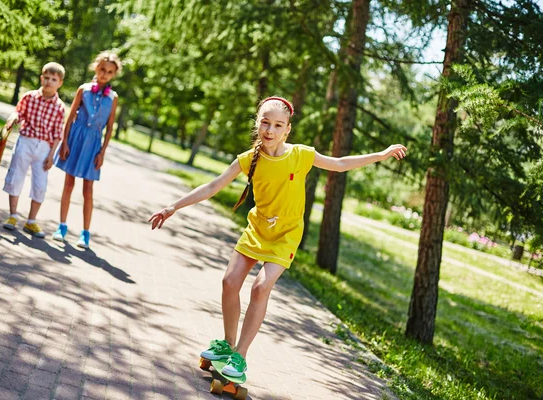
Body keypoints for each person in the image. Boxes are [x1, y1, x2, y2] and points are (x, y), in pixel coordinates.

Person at [148, 96, 407, 378]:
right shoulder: (248, 160)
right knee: (229, 281)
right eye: (265, 123)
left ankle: (240, 357)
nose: (270, 130)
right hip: (257, 229)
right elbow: (213, 186)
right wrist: (173, 207)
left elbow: (340, 163)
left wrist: (380, 155)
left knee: (260, 288)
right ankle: (227, 344)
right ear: (258, 124)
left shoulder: (301, 155)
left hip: (286, 235)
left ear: (287, 130)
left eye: (278, 125)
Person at [51, 51, 121, 248]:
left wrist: (103, 152)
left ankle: (85, 233)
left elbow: (110, 127)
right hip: (76, 139)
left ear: (114, 74)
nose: (104, 74)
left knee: (88, 190)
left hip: (93, 145)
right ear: (96, 68)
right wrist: (64, 143)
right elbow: (70, 116)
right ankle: (62, 226)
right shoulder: (84, 90)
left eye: (109, 72)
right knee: (68, 184)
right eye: (102, 69)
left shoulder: (113, 98)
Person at [2, 62, 66, 238]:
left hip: (44, 148)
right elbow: (18, 112)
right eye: (46, 78)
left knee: (40, 184)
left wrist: (51, 155)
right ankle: (12, 216)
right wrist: (13, 117)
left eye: (54, 79)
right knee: (16, 176)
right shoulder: (29, 97)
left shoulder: (59, 107)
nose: (49, 82)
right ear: (41, 78)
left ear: (60, 83)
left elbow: (57, 134)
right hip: (26, 141)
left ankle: (31, 221)